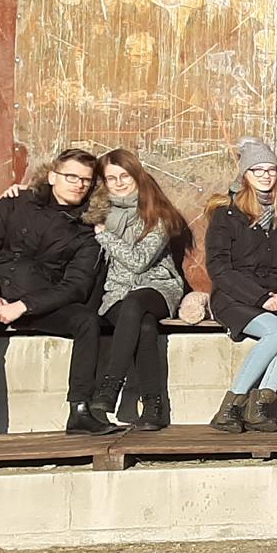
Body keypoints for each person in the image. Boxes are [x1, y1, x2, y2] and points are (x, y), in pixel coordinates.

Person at [0, 148, 117, 446]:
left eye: (86, 181)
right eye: (71, 176)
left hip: (40, 303)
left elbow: (76, 285)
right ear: (53, 176)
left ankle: (79, 410)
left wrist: (24, 307)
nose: (78, 184)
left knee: (87, 321)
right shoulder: (15, 203)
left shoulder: (88, 228)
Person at [205, 139, 277, 434]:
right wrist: (261, 298)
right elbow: (219, 268)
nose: (265, 175)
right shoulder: (225, 214)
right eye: (257, 169)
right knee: (276, 330)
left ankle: (259, 406)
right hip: (235, 295)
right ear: (245, 174)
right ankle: (230, 407)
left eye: (271, 170)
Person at [85, 148, 189, 432]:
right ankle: (154, 407)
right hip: (116, 292)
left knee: (136, 305)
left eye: (124, 176)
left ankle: (109, 388)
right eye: (111, 178)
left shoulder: (157, 214)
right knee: (143, 327)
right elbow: (57, 190)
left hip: (157, 287)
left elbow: (140, 262)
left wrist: (104, 236)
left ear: (137, 176)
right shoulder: (97, 212)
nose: (118, 183)